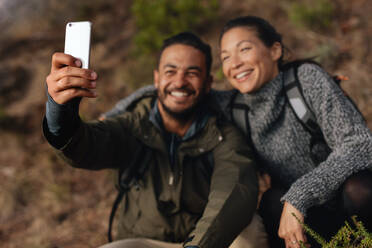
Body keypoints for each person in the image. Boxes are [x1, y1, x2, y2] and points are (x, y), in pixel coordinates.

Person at [105, 16, 372, 248]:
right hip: (304, 215)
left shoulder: (306, 79)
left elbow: (359, 144)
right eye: (226, 57)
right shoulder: (233, 105)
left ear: (275, 50)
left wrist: (300, 195)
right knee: (270, 203)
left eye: (244, 49)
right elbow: (176, 90)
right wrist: (116, 113)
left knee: (360, 189)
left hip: (343, 201)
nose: (235, 63)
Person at [42, 32, 268, 248]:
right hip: (142, 241)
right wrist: (60, 110)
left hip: (203, 242)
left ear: (208, 83)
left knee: (250, 232)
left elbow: (233, 191)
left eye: (192, 73)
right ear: (156, 79)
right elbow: (84, 146)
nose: (180, 82)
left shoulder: (224, 135)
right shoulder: (131, 126)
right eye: (170, 71)